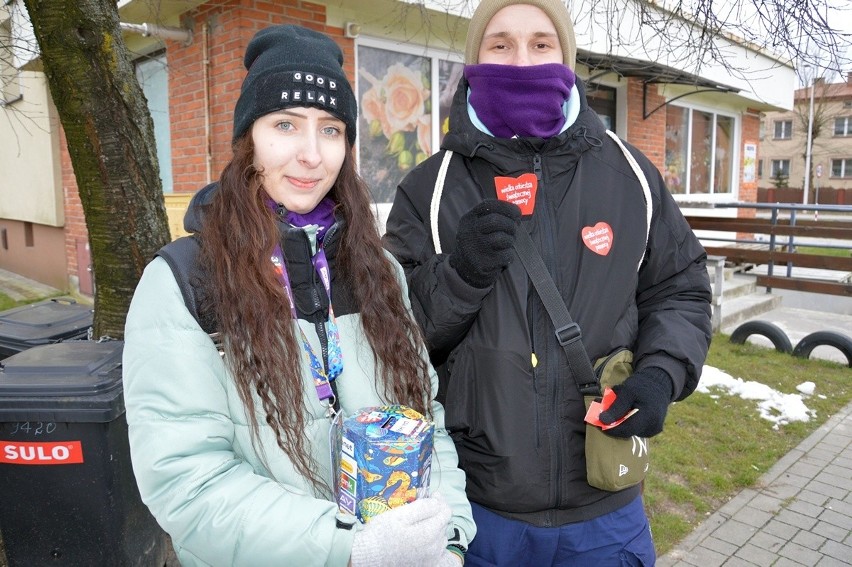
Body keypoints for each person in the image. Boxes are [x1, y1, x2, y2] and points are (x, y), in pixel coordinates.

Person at [123, 24, 474, 567]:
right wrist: (349, 548)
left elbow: (427, 423)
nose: (312, 155)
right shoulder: (186, 283)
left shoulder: (377, 270)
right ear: (249, 139)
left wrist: (447, 539)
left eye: (331, 130)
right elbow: (187, 483)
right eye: (286, 125)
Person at [383, 1, 713, 565]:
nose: (522, 62)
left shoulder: (631, 173)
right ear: (474, 58)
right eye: (500, 44)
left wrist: (662, 373)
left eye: (541, 44)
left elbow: (678, 287)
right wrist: (458, 276)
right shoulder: (429, 188)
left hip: (605, 503)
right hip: (478, 502)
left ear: (566, 55)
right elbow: (393, 336)